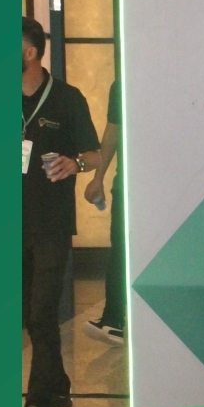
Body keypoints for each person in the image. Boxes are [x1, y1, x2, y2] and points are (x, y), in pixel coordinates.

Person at [22, 16, 100, 407]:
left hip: (51, 224)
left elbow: (94, 154)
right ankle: (59, 391)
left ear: (30, 52)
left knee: (42, 311)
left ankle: (36, 404)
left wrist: (77, 163)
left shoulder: (67, 99)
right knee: (28, 315)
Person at [82, 75, 125, 345]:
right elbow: (113, 131)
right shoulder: (122, 84)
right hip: (128, 184)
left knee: (123, 251)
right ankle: (113, 320)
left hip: (163, 187)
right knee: (120, 250)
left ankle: (115, 320)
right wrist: (98, 178)